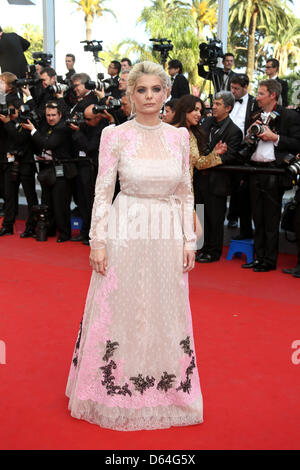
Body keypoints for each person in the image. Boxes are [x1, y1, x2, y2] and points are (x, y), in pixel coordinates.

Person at [66, 61, 203, 431]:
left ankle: (166, 387)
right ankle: (111, 387)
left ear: (165, 94)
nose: (149, 97)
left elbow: (186, 191)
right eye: (141, 90)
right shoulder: (115, 134)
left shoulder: (178, 138)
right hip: (126, 225)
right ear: (130, 94)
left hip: (165, 231)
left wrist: (190, 240)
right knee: (121, 302)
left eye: (155, 90)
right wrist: (98, 241)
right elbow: (102, 190)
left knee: (164, 304)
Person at [242, 79, 300, 272]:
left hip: (274, 171)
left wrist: (275, 138)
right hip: (255, 169)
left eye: (260, 93)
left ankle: (269, 260)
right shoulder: (254, 116)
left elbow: (297, 143)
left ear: (272, 95)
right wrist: (249, 136)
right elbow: (247, 143)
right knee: (257, 217)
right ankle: (259, 257)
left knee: (271, 218)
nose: (257, 97)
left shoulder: (289, 116)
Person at [194, 91, 243, 263]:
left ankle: (213, 251)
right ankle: (200, 247)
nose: (213, 107)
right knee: (200, 214)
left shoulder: (234, 131)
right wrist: (208, 155)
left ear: (228, 108)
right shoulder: (206, 122)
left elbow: (230, 156)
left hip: (217, 181)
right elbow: (198, 143)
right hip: (200, 177)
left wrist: (211, 158)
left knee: (215, 217)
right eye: (213, 103)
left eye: (218, 104)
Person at [171, 94, 227, 241]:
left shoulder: (193, 134)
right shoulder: (170, 132)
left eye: (200, 111)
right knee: (176, 233)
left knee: (193, 233)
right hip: (169, 190)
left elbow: (199, 163)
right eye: (195, 110)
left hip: (187, 191)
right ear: (184, 110)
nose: (198, 114)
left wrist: (216, 154)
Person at [23, 101, 77, 242]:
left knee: (60, 204)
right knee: (47, 202)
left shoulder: (63, 128)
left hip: (62, 171)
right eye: (48, 115)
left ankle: (65, 233)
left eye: (53, 115)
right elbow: (43, 144)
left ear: (60, 115)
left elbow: (49, 144)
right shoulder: (48, 127)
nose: (50, 118)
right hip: (48, 169)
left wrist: (33, 130)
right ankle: (50, 229)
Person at [69, 105, 109, 245]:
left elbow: (90, 147)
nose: (85, 121)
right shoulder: (88, 125)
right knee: (82, 201)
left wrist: (78, 132)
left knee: (91, 203)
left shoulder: (103, 128)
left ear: (98, 117)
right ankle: (84, 232)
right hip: (81, 167)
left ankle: (92, 235)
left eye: (88, 119)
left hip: (93, 170)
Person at [0, 98, 38, 238]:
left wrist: (8, 123)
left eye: (12, 110)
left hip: (26, 164)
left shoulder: (26, 121)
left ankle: (31, 227)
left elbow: (20, 138)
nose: (10, 113)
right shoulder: (6, 123)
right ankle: (7, 225)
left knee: (30, 197)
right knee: (9, 196)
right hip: (10, 163)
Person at [227, 73, 259, 238]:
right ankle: (231, 218)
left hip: (245, 151)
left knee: (244, 193)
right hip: (228, 149)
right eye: (232, 88)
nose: (233, 91)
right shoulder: (229, 101)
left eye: (237, 88)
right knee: (233, 190)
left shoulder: (254, 103)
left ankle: (246, 230)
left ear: (245, 87)